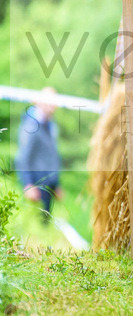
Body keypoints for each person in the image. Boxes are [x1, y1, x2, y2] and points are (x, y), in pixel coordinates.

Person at [15, 87, 64, 224]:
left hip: (49, 186)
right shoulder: (30, 125)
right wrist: (28, 184)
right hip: (36, 188)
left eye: (54, 101)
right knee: (33, 228)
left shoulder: (51, 125)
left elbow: (52, 156)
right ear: (38, 102)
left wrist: (56, 184)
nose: (52, 105)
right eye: (49, 101)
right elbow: (23, 157)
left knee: (46, 226)